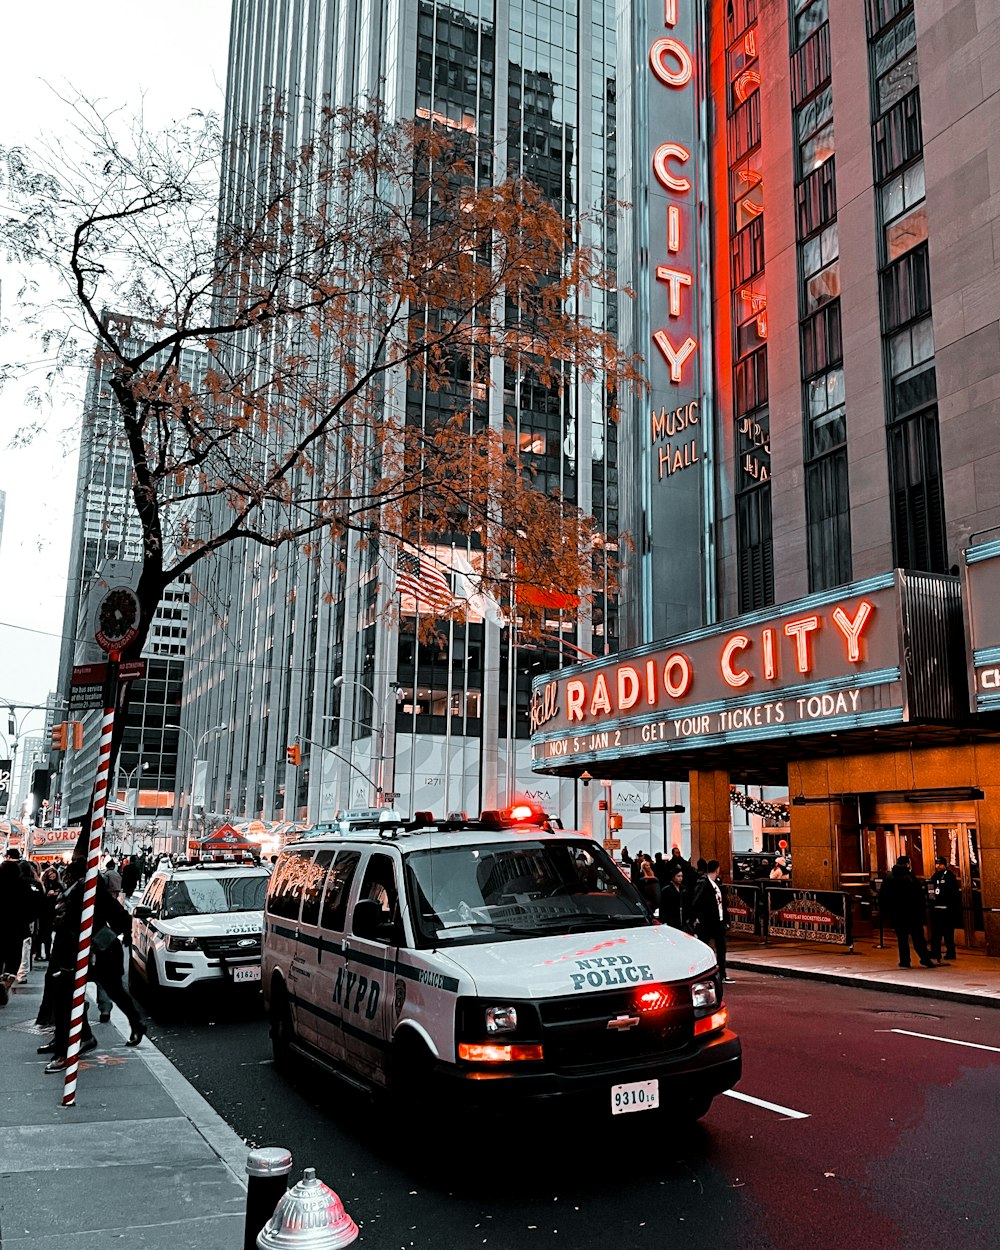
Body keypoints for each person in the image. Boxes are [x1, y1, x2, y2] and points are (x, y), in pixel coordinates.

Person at [43, 858, 146, 1071]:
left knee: (84, 994)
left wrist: (100, 937)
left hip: (94, 953)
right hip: (78, 952)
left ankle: (70, 1046)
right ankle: (79, 1038)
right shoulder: (73, 891)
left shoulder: (88, 891)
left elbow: (120, 918)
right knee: (72, 995)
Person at [878, 855, 935, 969]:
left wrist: (886, 912)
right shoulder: (911, 878)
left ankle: (905, 961)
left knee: (902, 939)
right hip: (912, 913)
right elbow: (918, 897)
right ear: (907, 864)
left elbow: (883, 897)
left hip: (897, 914)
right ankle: (925, 958)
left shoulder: (889, 877)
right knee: (918, 938)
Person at [0, 852, 36, 1006]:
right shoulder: (24, 885)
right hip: (17, 927)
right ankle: (6, 981)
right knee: (14, 957)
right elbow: (34, 906)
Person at [691, 859, 730, 981]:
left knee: (721, 947)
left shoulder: (716, 883)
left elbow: (722, 904)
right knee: (705, 946)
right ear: (717, 869)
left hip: (718, 921)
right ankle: (702, 973)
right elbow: (697, 902)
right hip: (708, 921)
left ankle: (722, 973)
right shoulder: (704, 883)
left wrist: (725, 920)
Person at [927, 856, 963, 963]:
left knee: (948, 933)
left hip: (947, 909)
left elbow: (954, 893)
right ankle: (935, 951)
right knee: (936, 933)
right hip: (937, 908)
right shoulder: (935, 876)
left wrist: (952, 906)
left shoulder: (949, 876)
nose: (938, 866)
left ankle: (951, 952)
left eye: (940, 864)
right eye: (937, 864)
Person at [659, 864, 689, 932]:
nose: (681, 878)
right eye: (678, 876)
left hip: (682, 921)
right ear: (673, 877)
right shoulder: (667, 890)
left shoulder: (684, 889)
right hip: (671, 921)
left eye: (681, 876)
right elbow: (663, 907)